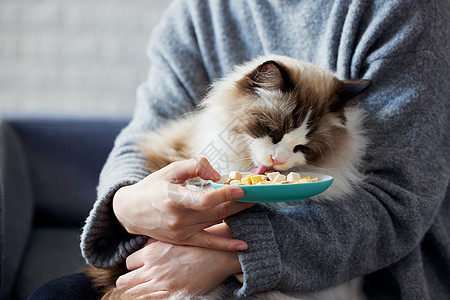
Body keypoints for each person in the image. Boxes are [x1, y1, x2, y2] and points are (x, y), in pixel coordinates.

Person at [29, 0, 450, 299]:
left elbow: (396, 205)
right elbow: (144, 135)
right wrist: (127, 201)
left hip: (350, 269)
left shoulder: (403, 10)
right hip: (189, 248)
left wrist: (231, 255)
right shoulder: (200, 11)